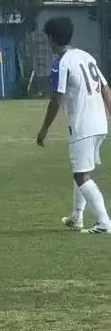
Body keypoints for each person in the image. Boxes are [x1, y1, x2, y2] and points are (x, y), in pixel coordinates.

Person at [37, 16, 111, 234]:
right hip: (99, 123)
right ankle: (77, 216)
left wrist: (44, 129)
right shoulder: (86, 56)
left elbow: (56, 99)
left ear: (52, 38)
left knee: (81, 176)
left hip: (82, 126)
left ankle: (104, 223)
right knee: (81, 170)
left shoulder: (62, 63)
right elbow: (105, 89)